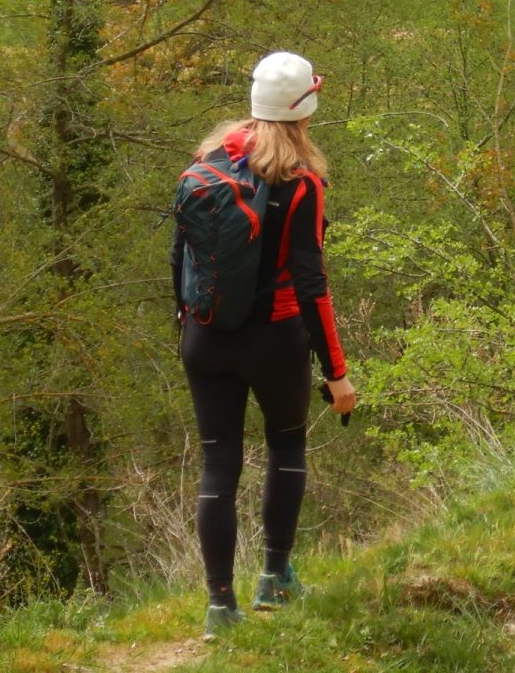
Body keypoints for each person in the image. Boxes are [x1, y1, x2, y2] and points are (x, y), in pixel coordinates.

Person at [171, 51, 355, 639]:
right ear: (306, 107)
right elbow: (311, 284)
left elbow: (180, 256)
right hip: (273, 340)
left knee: (218, 467)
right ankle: (274, 578)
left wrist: (189, 319)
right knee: (285, 447)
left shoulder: (207, 162)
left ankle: (219, 608)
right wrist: (338, 372)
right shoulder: (301, 185)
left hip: (205, 337)